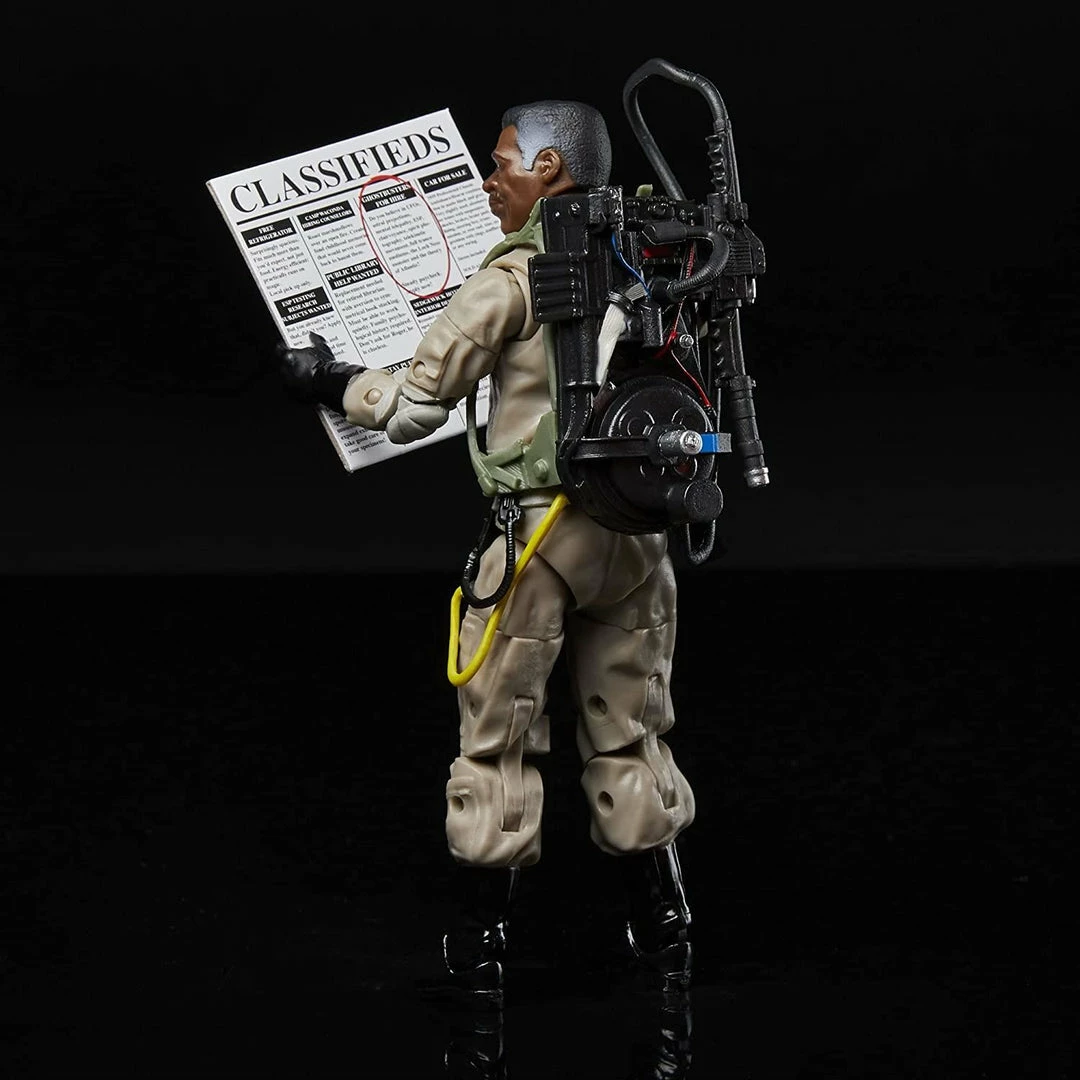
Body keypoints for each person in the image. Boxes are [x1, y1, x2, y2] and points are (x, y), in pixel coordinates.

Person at [278, 100, 695, 1006]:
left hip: (538, 536)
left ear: (548, 171)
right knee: (632, 730)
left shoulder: (513, 278)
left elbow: (411, 409)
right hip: (636, 536)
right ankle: (665, 925)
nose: (488, 179)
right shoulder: (654, 259)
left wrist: (329, 379)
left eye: (503, 162)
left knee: (497, 741)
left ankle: (479, 946)